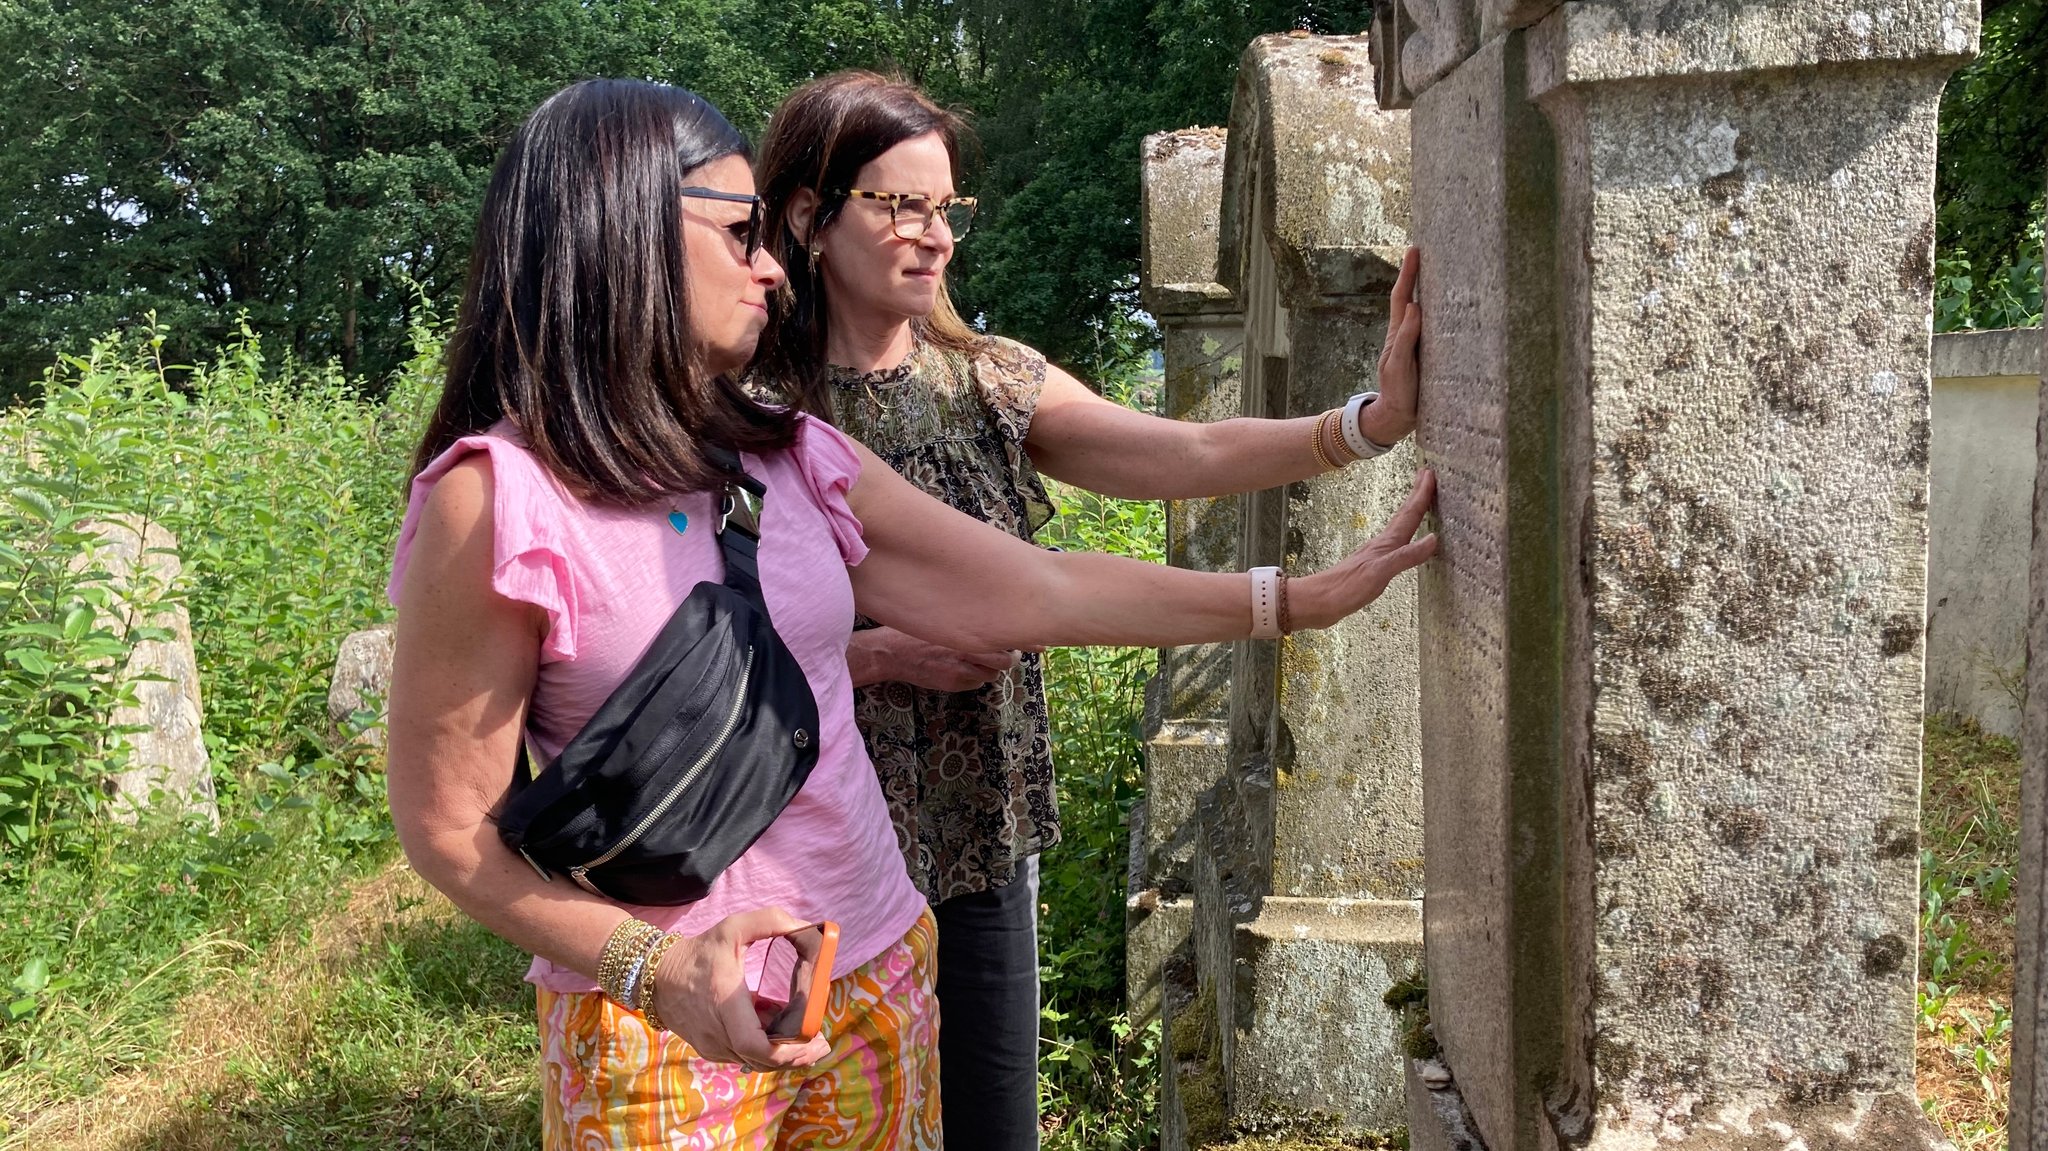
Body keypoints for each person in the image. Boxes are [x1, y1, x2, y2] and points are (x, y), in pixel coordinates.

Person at [385, 78, 1435, 1151]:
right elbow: (447, 828)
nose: (765, 269)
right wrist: (653, 969)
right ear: (623, 231)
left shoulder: (786, 451)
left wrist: (1294, 597)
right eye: (741, 233)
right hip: (660, 1020)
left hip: (874, 958)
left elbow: (1043, 583)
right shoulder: (495, 498)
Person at [750, 71, 1424, 1149]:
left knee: (990, 1126)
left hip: (981, 827)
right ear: (805, 216)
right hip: (808, 839)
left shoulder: (985, 380)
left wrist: (1363, 424)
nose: (934, 237)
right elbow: (702, 641)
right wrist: (880, 655)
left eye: (947, 209)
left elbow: (1183, 452)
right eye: (898, 205)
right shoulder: (751, 413)